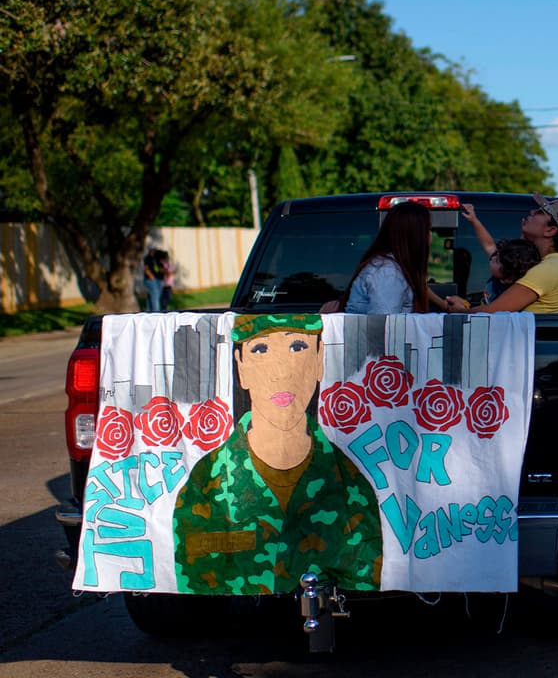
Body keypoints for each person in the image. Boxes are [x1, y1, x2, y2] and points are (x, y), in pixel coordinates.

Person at [173, 314, 383, 594]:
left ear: (319, 360)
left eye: (298, 347)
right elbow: (193, 587)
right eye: (260, 349)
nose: (282, 372)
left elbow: (365, 578)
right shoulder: (204, 485)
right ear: (241, 367)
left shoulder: (352, 487)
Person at [445, 195, 558, 314]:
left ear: (550, 231)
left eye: (540, 212)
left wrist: (461, 311)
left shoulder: (547, 270)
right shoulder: (553, 264)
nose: (532, 212)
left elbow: (492, 313)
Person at [332, 201, 447, 314]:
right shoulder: (388, 273)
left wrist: (445, 306)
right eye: (428, 229)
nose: (431, 235)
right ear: (415, 235)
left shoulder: (395, 269)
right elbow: (384, 327)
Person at [460, 203, 542, 304]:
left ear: (509, 275)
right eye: (496, 255)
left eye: (498, 260)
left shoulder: (511, 294)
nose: (493, 257)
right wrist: (474, 220)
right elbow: (488, 244)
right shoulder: (505, 266)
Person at [142, 248, 165, 312]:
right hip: (151, 280)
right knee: (155, 296)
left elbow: (159, 268)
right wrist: (151, 276)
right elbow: (146, 269)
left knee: (151, 296)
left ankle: (149, 310)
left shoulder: (156, 258)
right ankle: (156, 312)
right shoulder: (147, 258)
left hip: (156, 279)